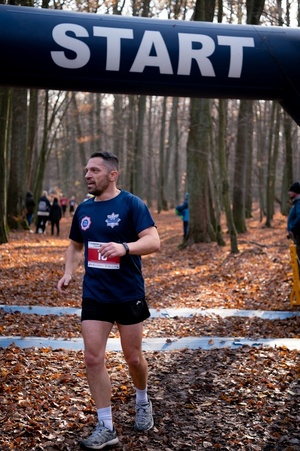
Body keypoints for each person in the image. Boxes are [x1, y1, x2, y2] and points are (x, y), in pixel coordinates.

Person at [57, 151, 160, 450]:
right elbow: (75, 246)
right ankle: (106, 425)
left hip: (127, 293)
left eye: (95, 170)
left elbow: (153, 241)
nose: (88, 175)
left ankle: (142, 400)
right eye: (86, 170)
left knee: (133, 358)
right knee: (92, 357)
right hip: (95, 294)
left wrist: (125, 248)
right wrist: (68, 272)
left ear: (112, 175)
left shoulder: (131, 203)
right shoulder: (84, 210)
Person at [287, 181, 300, 260]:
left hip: (298, 235)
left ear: (295, 192)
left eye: (290, 191)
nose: (289, 193)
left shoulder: (298, 203)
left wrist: (293, 228)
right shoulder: (296, 203)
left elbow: (299, 217)